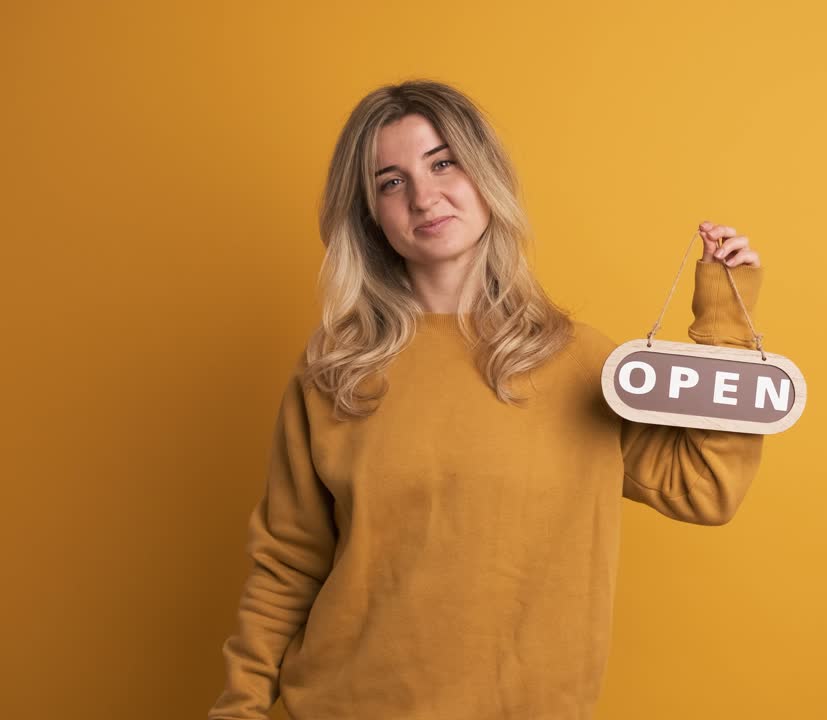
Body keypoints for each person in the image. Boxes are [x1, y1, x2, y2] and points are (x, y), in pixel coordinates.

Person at [208, 79, 766, 720]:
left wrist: (725, 319)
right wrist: (240, 707)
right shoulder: (333, 372)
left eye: (443, 162)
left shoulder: (582, 362)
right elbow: (287, 564)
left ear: (485, 175)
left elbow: (705, 487)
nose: (424, 196)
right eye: (391, 181)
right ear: (370, 214)